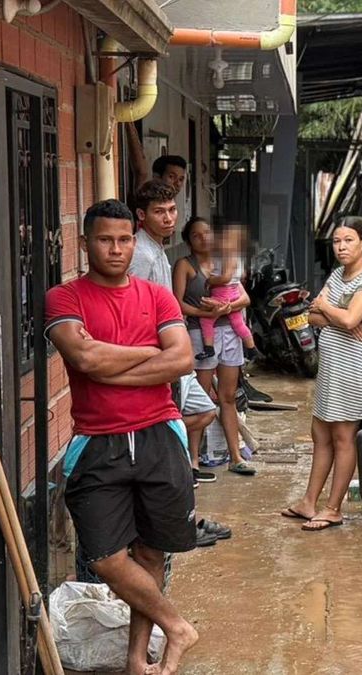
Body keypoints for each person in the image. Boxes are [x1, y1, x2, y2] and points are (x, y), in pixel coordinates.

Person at [45, 200, 199, 675]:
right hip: (97, 441)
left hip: (159, 434)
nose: (116, 249)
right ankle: (176, 626)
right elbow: (84, 359)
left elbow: (181, 359)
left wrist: (112, 367)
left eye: (125, 239)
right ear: (85, 242)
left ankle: (136, 659)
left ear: (135, 241)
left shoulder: (157, 296)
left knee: (151, 551)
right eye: (105, 240)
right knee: (106, 557)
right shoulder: (64, 298)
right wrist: (150, 352)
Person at [282, 221, 362, 531]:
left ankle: (333, 509)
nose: (341, 246)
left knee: (343, 436)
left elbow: (351, 318)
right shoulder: (338, 275)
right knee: (320, 433)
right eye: (337, 241)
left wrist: (328, 307)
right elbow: (311, 317)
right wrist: (335, 316)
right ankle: (309, 502)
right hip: (331, 368)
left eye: (349, 240)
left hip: (354, 367)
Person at [126, 180, 221, 490]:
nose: (168, 218)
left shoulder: (157, 249)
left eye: (171, 210)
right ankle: (163, 474)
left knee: (203, 410)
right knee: (172, 414)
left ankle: (171, 465)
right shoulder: (141, 253)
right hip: (154, 351)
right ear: (142, 215)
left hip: (171, 348)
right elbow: (133, 304)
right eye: (159, 212)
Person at [173, 218, 257, 477]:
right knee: (201, 397)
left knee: (228, 396)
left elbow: (245, 297)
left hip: (230, 333)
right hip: (200, 334)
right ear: (188, 241)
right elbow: (177, 303)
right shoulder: (185, 265)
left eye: (207, 233)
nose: (203, 239)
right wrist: (205, 313)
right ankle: (193, 461)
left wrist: (227, 308)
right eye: (196, 235)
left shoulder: (223, 261)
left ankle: (235, 457)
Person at [195, 222, 259, 361]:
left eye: (227, 240)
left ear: (236, 245)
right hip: (232, 292)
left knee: (206, 320)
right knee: (238, 323)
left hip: (223, 294)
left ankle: (208, 348)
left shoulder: (230, 258)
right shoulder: (234, 258)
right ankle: (251, 348)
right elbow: (239, 277)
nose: (222, 242)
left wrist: (210, 280)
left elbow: (225, 278)